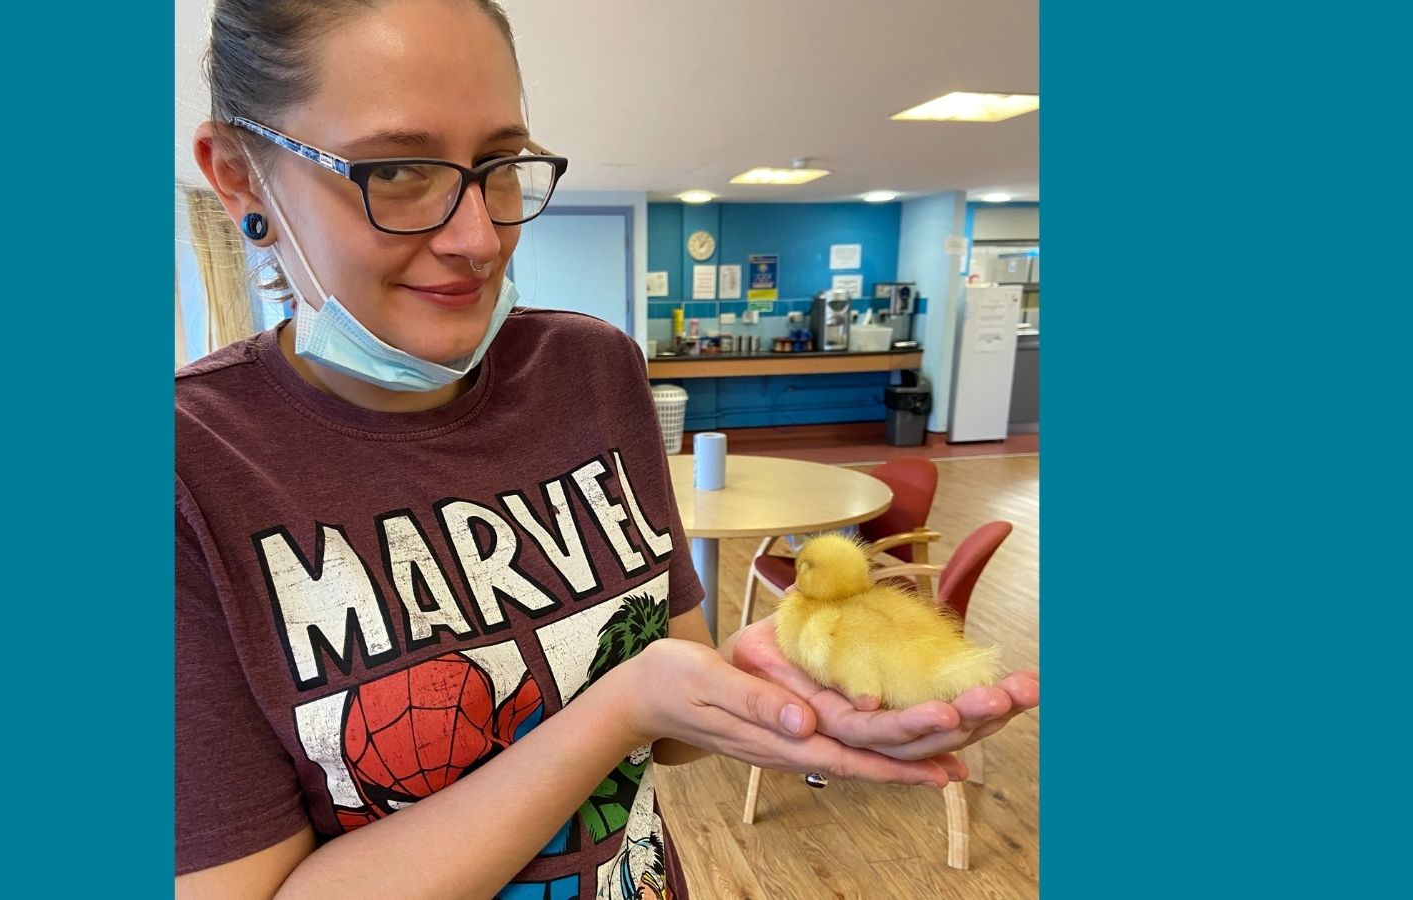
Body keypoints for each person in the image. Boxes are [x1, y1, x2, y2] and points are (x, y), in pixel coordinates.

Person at [175, 1, 1040, 897]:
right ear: (240, 177)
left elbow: (671, 719)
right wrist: (620, 709)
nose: (479, 238)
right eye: (396, 170)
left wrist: (764, 690)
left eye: (500, 165)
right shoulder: (189, 475)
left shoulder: (591, 372)